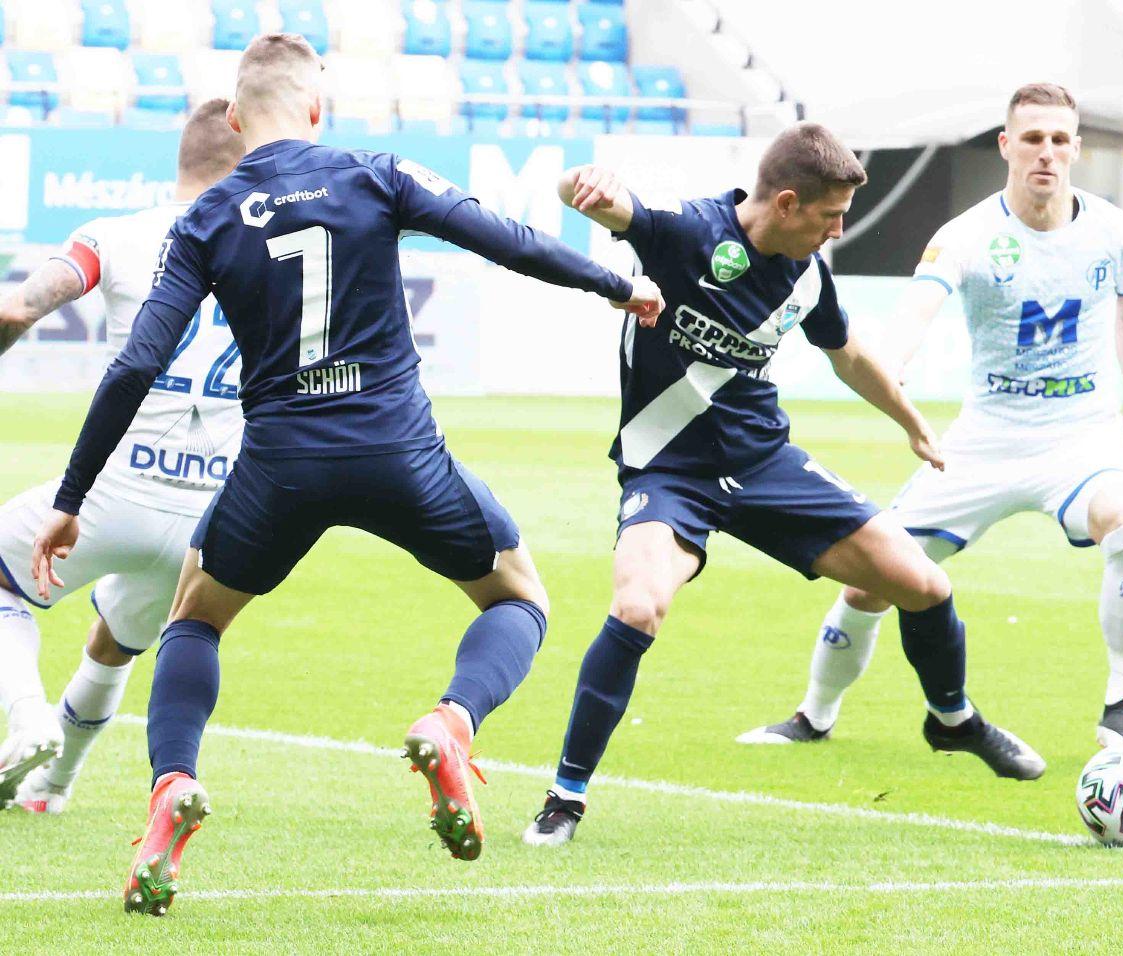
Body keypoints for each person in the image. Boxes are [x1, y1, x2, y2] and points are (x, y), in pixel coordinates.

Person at [29, 33, 663, 916]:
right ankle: (452, 722)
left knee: (194, 620)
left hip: (279, 467)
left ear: (236, 119)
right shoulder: (374, 174)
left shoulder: (207, 218)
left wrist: (71, 501)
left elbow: (136, 362)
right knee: (519, 598)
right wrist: (615, 285)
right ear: (317, 109)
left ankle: (173, 784)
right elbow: (507, 242)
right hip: (399, 452)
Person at [522, 123, 1045, 849]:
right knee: (638, 606)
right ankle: (565, 798)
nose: (838, 232)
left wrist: (912, 423)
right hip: (668, 470)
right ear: (789, 203)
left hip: (766, 465)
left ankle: (952, 720)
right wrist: (580, 182)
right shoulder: (684, 231)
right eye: (831, 216)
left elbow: (848, 354)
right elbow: (580, 194)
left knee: (923, 584)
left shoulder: (806, 274)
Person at [738, 84, 1123, 753]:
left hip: (1081, 435)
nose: (1046, 152)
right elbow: (916, 312)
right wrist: (890, 365)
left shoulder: (1117, 232)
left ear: (1076, 147)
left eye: (1059, 139)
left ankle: (1122, 703)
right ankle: (813, 715)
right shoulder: (966, 236)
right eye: (1032, 138)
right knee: (874, 580)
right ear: (1006, 146)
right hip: (984, 441)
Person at [0, 98, 246, 815]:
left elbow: (17, 310)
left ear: (182, 156)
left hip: (112, 492)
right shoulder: (279, 251)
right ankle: (53, 788)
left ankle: (27, 718)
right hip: (212, 519)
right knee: (115, 641)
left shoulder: (115, 235)